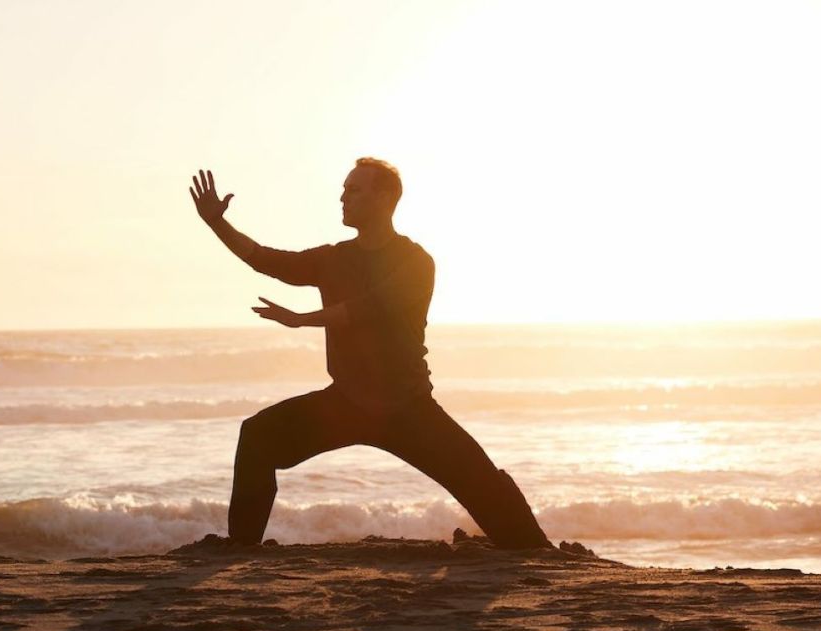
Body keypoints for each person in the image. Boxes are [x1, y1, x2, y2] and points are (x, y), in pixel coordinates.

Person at [188, 159, 551, 549]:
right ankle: (242, 547)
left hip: (407, 409)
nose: (342, 197)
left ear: (384, 197)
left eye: (354, 190)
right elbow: (266, 259)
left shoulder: (415, 262)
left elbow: (367, 308)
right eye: (344, 190)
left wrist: (300, 319)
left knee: (484, 485)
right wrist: (216, 224)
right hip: (346, 405)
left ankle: (541, 554)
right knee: (258, 435)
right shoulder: (333, 258)